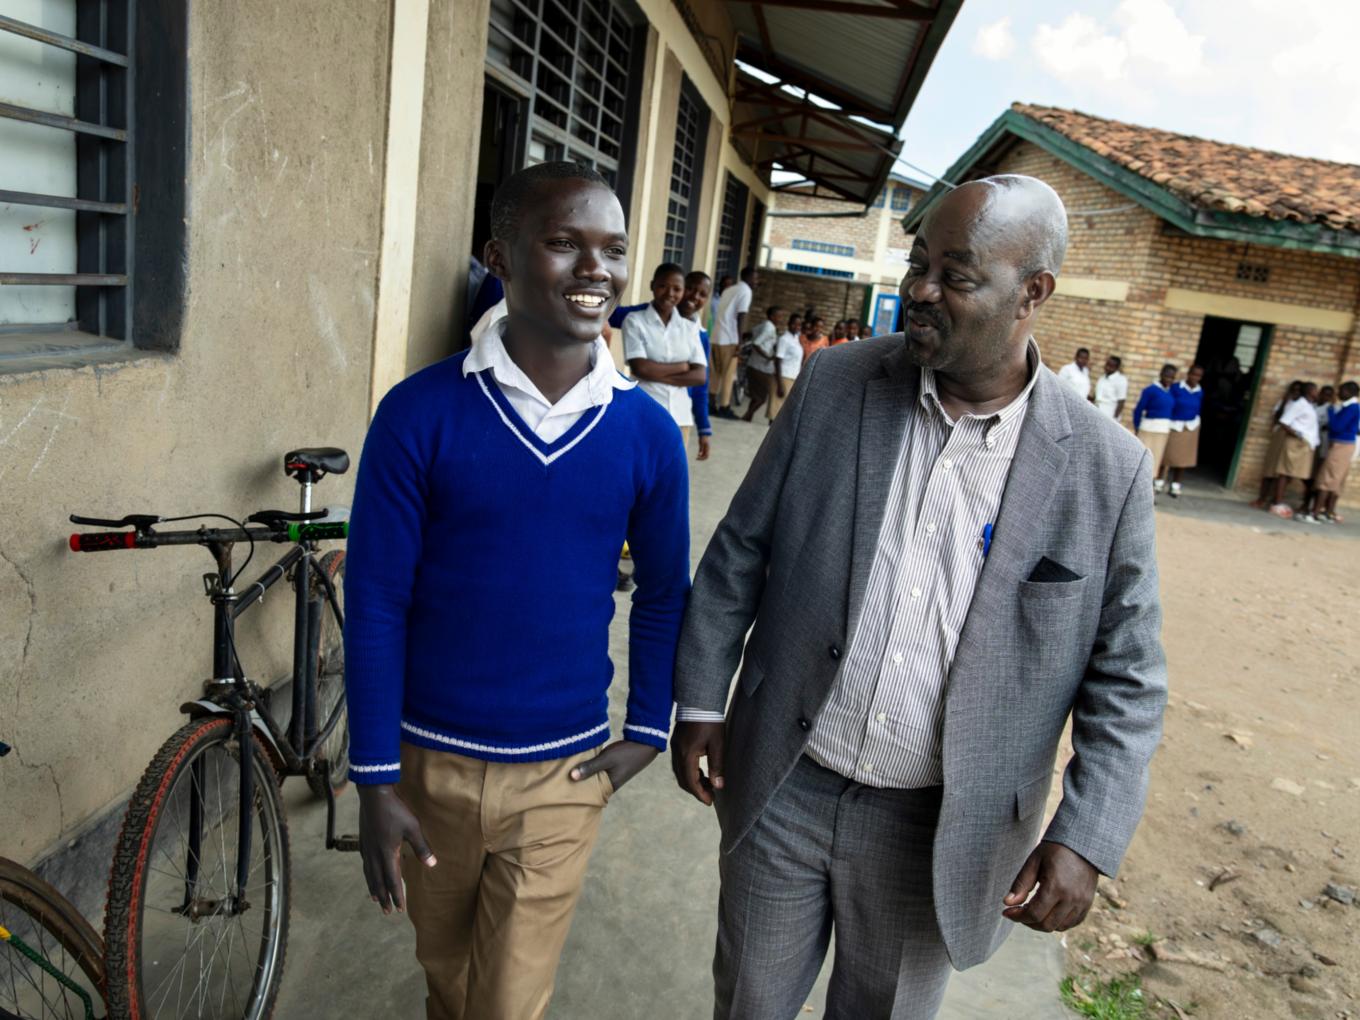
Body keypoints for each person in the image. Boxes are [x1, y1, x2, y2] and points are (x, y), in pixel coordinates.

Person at [671, 174, 1166, 1019]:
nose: (922, 292)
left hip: (938, 833)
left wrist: (1086, 834)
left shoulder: (1104, 469)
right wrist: (701, 700)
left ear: (1031, 294)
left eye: (958, 275)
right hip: (787, 780)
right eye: (920, 263)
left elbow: (1128, 678)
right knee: (748, 1003)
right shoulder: (836, 387)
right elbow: (739, 554)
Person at [344, 161, 690, 1020]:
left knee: (506, 1002)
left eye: (612, 250)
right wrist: (375, 779)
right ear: (501, 254)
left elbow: (663, 590)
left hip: (562, 774)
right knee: (448, 978)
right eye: (564, 243)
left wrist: (648, 726)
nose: (595, 270)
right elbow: (377, 596)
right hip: (430, 766)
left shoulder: (645, 434)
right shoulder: (419, 413)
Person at [611, 270, 716, 461]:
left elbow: (700, 381)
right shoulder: (637, 318)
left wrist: (704, 428)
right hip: (647, 409)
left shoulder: (696, 333)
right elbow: (640, 369)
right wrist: (683, 367)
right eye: (691, 289)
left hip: (680, 414)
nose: (694, 296)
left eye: (702, 294)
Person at [1268, 381, 1321, 518]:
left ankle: (1279, 501)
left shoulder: (1308, 405)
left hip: (1305, 445)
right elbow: (1284, 422)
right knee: (1285, 472)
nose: (1317, 393)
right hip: (1296, 444)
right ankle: (1277, 503)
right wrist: (1298, 435)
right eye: (1316, 390)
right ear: (1310, 391)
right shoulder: (1299, 405)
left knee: (1293, 474)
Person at [712, 265, 759, 418]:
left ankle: (711, 404)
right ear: (748, 277)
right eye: (755, 278)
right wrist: (739, 342)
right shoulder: (745, 291)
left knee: (716, 373)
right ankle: (724, 407)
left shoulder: (729, 289)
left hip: (716, 336)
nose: (756, 281)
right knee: (728, 374)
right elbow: (741, 316)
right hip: (729, 338)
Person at [1251, 381, 1304, 509]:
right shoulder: (1286, 402)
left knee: (1283, 473)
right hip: (1279, 437)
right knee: (1270, 469)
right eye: (1293, 390)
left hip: (1291, 441)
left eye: (1298, 391)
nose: (1295, 393)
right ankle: (1262, 498)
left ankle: (1275, 500)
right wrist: (1285, 402)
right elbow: (1277, 418)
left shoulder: (1302, 405)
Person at [1313, 381, 1359, 523]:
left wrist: (1331, 411)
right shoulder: (1350, 407)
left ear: (1349, 392)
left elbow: (1337, 426)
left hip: (1342, 445)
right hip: (1343, 444)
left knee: (1328, 478)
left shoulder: (1351, 408)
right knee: (1334, 478)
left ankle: (1315, 513)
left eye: (1341, 391)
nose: (1338, 394)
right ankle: (1326, 512)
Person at [1161, 364, 1204, 497]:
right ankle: (1159, 482)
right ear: (1188, 374)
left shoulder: (1199, 390)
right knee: (1167, 456)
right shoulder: (1177, 388)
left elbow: (1199, 407)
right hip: (1175, 425)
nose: (1195, 378)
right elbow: (1169, 404)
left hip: (1190, 426)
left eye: (1198, 376)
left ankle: (1175, 485)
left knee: (1183, 459)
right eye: (1193, 374)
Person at [1133, 364, 1177, 490]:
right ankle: (1135, 488)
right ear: (1161, 374)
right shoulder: (1150, 390)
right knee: (1142, 460)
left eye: (1172, 378)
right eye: (1167, 376)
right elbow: (1139, 410)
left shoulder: (1171, 392)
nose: (1169, 380)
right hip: (1148, 429)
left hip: (1162, 430)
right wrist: (1137, 427)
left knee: (1155, 462)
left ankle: (1147, 492)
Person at [742, 306, 785, 423]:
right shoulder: (769, 327)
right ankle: (747, 415)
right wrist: (768, 356)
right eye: (779, 316)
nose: (781, 319)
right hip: (761, 367)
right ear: (771, 316)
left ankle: (748, 417)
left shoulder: (764, 325)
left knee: (756, 395)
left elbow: (751, 333)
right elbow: (756, 344)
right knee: (761, 398)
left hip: (754, 364)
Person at [767, 310, 804, 422]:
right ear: (788, 324)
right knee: (776, 411)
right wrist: (779, 384)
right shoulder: (784, 339)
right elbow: (777, 361)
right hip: (783, 377)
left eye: (799, 324)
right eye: (794, 324)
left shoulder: (796, 338)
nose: (796, 327)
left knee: (783, 412)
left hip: (792, 378)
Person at [1093, 355, 1128, 421]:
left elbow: (1121, 402)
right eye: (1107, 365)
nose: (1107, 367)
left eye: (1111, 366)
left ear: (1116, 368)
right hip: (1096, 412)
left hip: (1109, 415)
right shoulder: (1102, 377)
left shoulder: (1121, 380)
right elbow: (1096, 395)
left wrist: (1114, 419)